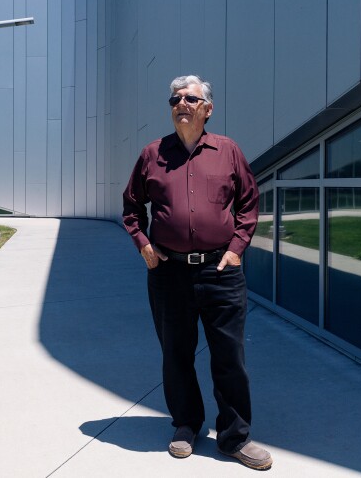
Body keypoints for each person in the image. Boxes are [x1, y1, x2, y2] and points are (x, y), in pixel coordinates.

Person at [122, 75, 272, 471]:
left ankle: (235, 437)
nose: (181, 104)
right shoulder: (152, 154)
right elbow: (132, 208)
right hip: (169, 273)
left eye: (190, 98)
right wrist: (145, 246)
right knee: (176, 354)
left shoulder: (228, 151)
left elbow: (249, 204)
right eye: (175, 99)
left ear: (208, 108)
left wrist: (237, 250)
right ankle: (186, 425)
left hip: (220, 271)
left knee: (229, 357)